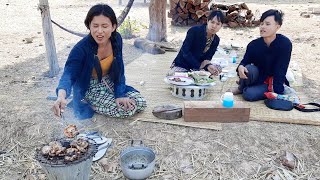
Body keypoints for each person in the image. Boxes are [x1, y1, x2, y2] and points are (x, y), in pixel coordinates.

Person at [52, 4, 146, 120]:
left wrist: (120, 94)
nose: (99, 31)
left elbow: (120, 68)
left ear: (113, 27)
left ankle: (107, 100)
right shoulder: (81, 49)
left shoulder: (116, 39)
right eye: (95, 26)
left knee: (140, 102)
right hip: (90, 87)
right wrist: (61, 96)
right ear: (89, 26)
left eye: (105, 26)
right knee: (125, 111)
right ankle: (90, 104)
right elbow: (68, 74)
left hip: (109, 81)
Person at [232, 9, 292, 101]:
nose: (262, 27)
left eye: (267, 24)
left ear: (277, 26)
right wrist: (241, 67)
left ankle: (248, 88)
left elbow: (281, 69)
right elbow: (244, 61)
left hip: (272, 81)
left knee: (249, 94)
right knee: (249, 69)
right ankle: (241, 88)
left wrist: (277, 93)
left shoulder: (285, 44)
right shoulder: (253, 45)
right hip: (258, 76)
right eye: (261, 23)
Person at [167, 10, 225, 77]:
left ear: (221, 26)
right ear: (207, 21)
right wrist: (199, 66)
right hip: (182, 65)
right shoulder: (194, 31)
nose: (214, 26)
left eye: (218, 24)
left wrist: (208, 66)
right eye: (212, 22)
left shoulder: (216, 40)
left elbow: (207, 58)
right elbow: (185, 52)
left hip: (198, 67)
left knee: (218, 69)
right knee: (179, 77)